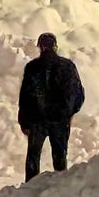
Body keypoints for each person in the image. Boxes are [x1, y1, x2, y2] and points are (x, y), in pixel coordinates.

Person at [18, 32, 84, 183]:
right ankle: (60, 189)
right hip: (60, 121)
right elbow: (78, 94)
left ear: (40, 47)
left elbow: (25, 98)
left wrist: (24, 121)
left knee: (33, 158)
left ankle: (29, 190)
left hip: (37, 121)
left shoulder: (32, 67)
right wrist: (70, 113)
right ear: (55, 46)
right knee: (60, 157)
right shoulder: (67, 66)